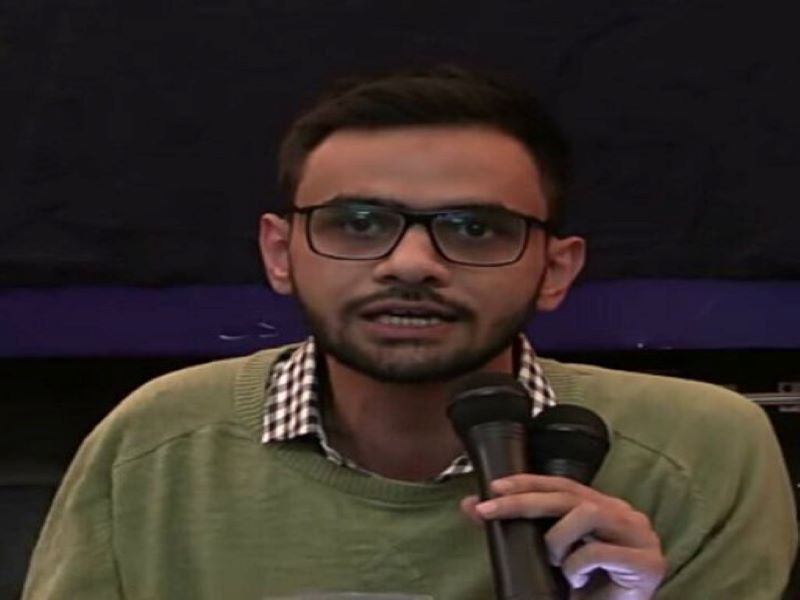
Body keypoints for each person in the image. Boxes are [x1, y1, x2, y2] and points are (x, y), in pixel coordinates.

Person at [23, 66, 797, 599]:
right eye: (358, 223)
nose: (412, 264)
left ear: (556, 269)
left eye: (476, 228)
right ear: (279, 253)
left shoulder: (702, 447)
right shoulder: (156, 442)